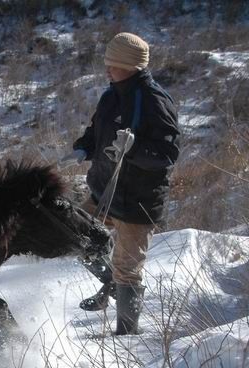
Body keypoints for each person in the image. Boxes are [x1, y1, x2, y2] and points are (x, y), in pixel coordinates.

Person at [71, 32, 180, 335]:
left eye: (113, 64)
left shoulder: (155, 101)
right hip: (104, 190)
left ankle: (126, 335)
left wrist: (135, 149)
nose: (107, 69)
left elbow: (168, 153)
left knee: (128, 271)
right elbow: (96, 131)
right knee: (74, 236)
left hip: (138, 201)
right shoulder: (111, 95)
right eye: (107, 62)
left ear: (131, 66)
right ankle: (112, 286)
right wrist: (83, 147)